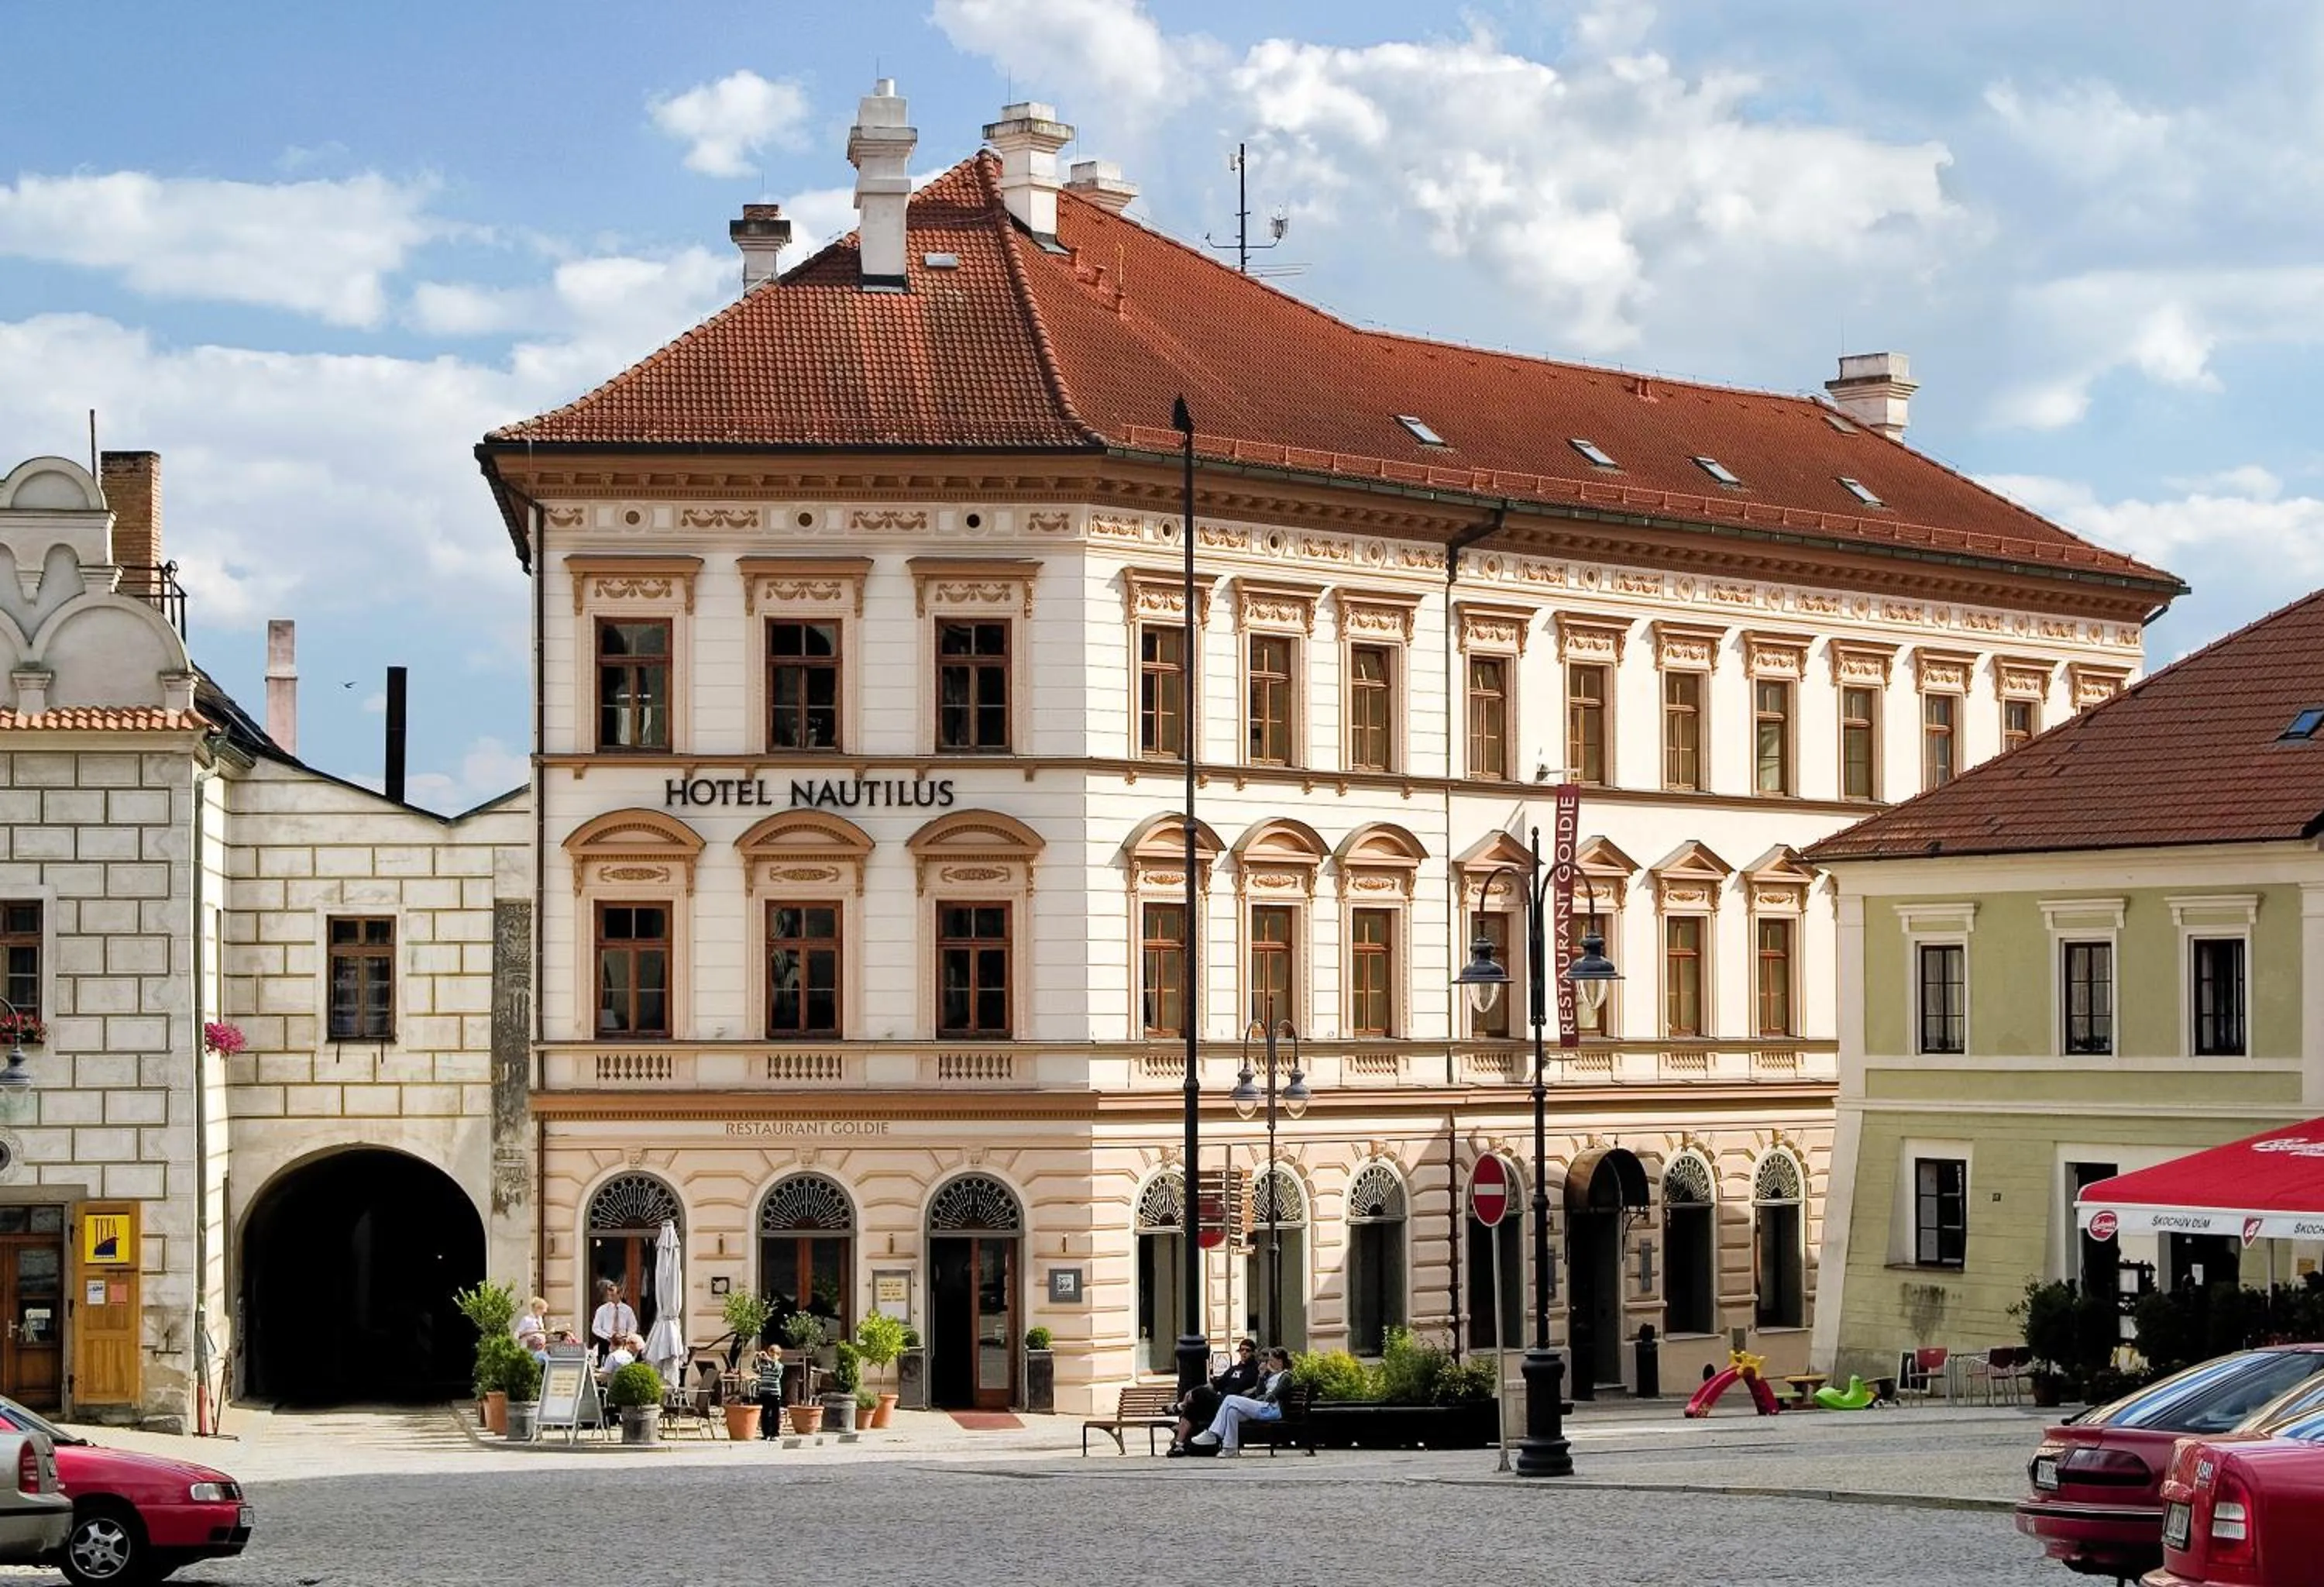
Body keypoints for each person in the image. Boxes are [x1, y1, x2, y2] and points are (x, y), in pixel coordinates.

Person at [1188, 1348, 1293, 1457]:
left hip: (1273, 1409)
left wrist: (1255, 1401)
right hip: (1264, 1407)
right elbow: (1259, 1392)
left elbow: (1272, 1397)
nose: (1269, 1363)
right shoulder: (1270, 1375)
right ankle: (1230, 1448)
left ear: (1280, 1361)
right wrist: (1261, 1376)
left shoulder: (1286, 1377)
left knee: (1230, 1399)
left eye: (1271, 1360)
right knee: (1232, 1411)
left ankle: (1213, 1433)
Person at [1167, 1339, 1261, 1456]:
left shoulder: (1255, 1370)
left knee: (1201, 1393)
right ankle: (1179, 1445)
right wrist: (1193, 1391)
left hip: (1232, 1403)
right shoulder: (1233, 1369)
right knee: (1193, 1406)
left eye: (1248, 1350)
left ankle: (1180, 1406)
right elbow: (1216, 1384)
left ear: (1254, 1352)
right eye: (1242, 1350)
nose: (1244, 1353)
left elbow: (1258, 1388)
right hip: (1220, 1401)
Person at [590, 1279, 638, 1356]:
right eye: (609, 1295)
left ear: (620, 1294)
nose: (610, 1297)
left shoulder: (627, 1310)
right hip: (606, 1342)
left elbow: (633, 1326)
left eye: (612, 1295)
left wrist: (627, 1336)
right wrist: (608, 1337)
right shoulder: (602, 1310)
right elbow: (595, 1328)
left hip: (623, 1343)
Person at [751, 1343, 786, 1440]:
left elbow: (776, 1369)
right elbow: (755, 1369)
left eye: (774, 1355)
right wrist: (756, 1358)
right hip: (764, 1392)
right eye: (771, 1354)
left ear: (778, 1356)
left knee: (775, 1414)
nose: (772, 1356)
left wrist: (768, 1359)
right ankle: (766, 1434)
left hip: (774, 1393)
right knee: (765, 1413)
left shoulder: (780, 1366)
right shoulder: (764, 1366)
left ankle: (775, 1434)